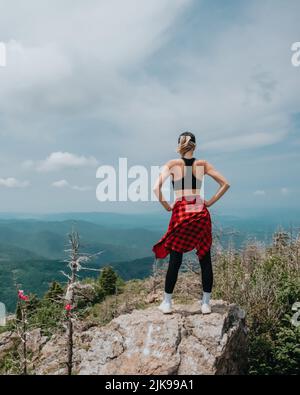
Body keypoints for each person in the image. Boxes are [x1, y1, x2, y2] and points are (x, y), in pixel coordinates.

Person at [152, 132, 230, 314]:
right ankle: (205, 304)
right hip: (200, 212)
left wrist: (166, 206)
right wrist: (209, 202)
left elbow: (156, 188)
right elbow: (225, 183)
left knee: (175, 259)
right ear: (194, 146)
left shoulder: (172, 164)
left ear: (179, 145)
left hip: (181, 213)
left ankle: (167, 303)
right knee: (205, 258)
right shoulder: (203, 164)